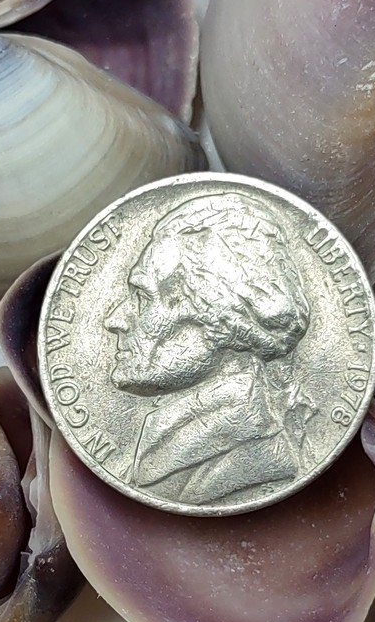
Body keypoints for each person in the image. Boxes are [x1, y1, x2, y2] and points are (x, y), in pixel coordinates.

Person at [104, 190, 315, 506]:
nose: (114, 320)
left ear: (220, 319)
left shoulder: (253, 459)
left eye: (143, 297)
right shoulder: (164, 437)